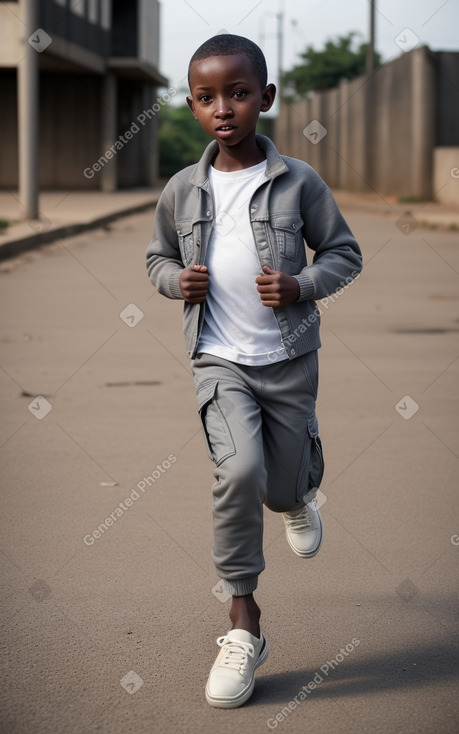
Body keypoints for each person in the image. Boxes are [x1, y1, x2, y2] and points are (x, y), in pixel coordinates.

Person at [146, 33, 362, 709]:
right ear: (191, 105)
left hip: (289, 359)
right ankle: (243, 622)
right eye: (207, 97)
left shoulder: (298, 180)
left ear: (264, 98)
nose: (223, 108)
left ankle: (297, 494)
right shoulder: (183, 189)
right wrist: (174, 280)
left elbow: (345, 254)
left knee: (278, 483)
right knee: (238, 473)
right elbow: (154, 259)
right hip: (218, 361)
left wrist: (301, 285)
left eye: (238, 93)